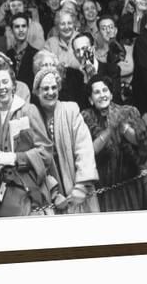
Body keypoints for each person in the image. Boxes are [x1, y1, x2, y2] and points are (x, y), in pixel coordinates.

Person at [0, 62, 55, 216]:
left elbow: (45, 153)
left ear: (13, 84)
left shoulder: (28, 111)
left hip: (30, 196)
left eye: (5, 82)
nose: (2, 87)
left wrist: (15, 158)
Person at [82, 76, 147, 211]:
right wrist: (110, 130)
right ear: (90, 99)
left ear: (111, 94)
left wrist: (122, 126)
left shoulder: (128, 111)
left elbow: (141, 143)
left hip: (130, 181)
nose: (102, 95)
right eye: (97, 92)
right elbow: (89, 151)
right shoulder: (86, 117)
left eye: (105, 90)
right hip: (104, 186)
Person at [31, 67, 100, 214]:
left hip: (79, 191)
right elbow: (38, 161)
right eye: (45, 89)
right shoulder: (34, 117)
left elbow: (84, 148)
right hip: (52, 197)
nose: (50, 92)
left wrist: (82, 185)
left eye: (54, 87)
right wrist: (54, 193)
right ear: (37, 92)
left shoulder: (70, 110)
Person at [70, 32, 122, 110]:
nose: (81, 54)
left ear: (93, 49)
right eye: (77, 51)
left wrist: (93, 76)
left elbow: (115, 100)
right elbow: (79, 107)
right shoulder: (74, 77)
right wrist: (85, 81)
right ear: (74, 54)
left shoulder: (112, 69)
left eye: (84, 49)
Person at [6, 12, 39, 88]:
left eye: (23, 26)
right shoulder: (7, 55)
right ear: (11, 30)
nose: (21, 30)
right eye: (17, 27)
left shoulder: (36, 54)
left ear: (28, 28)